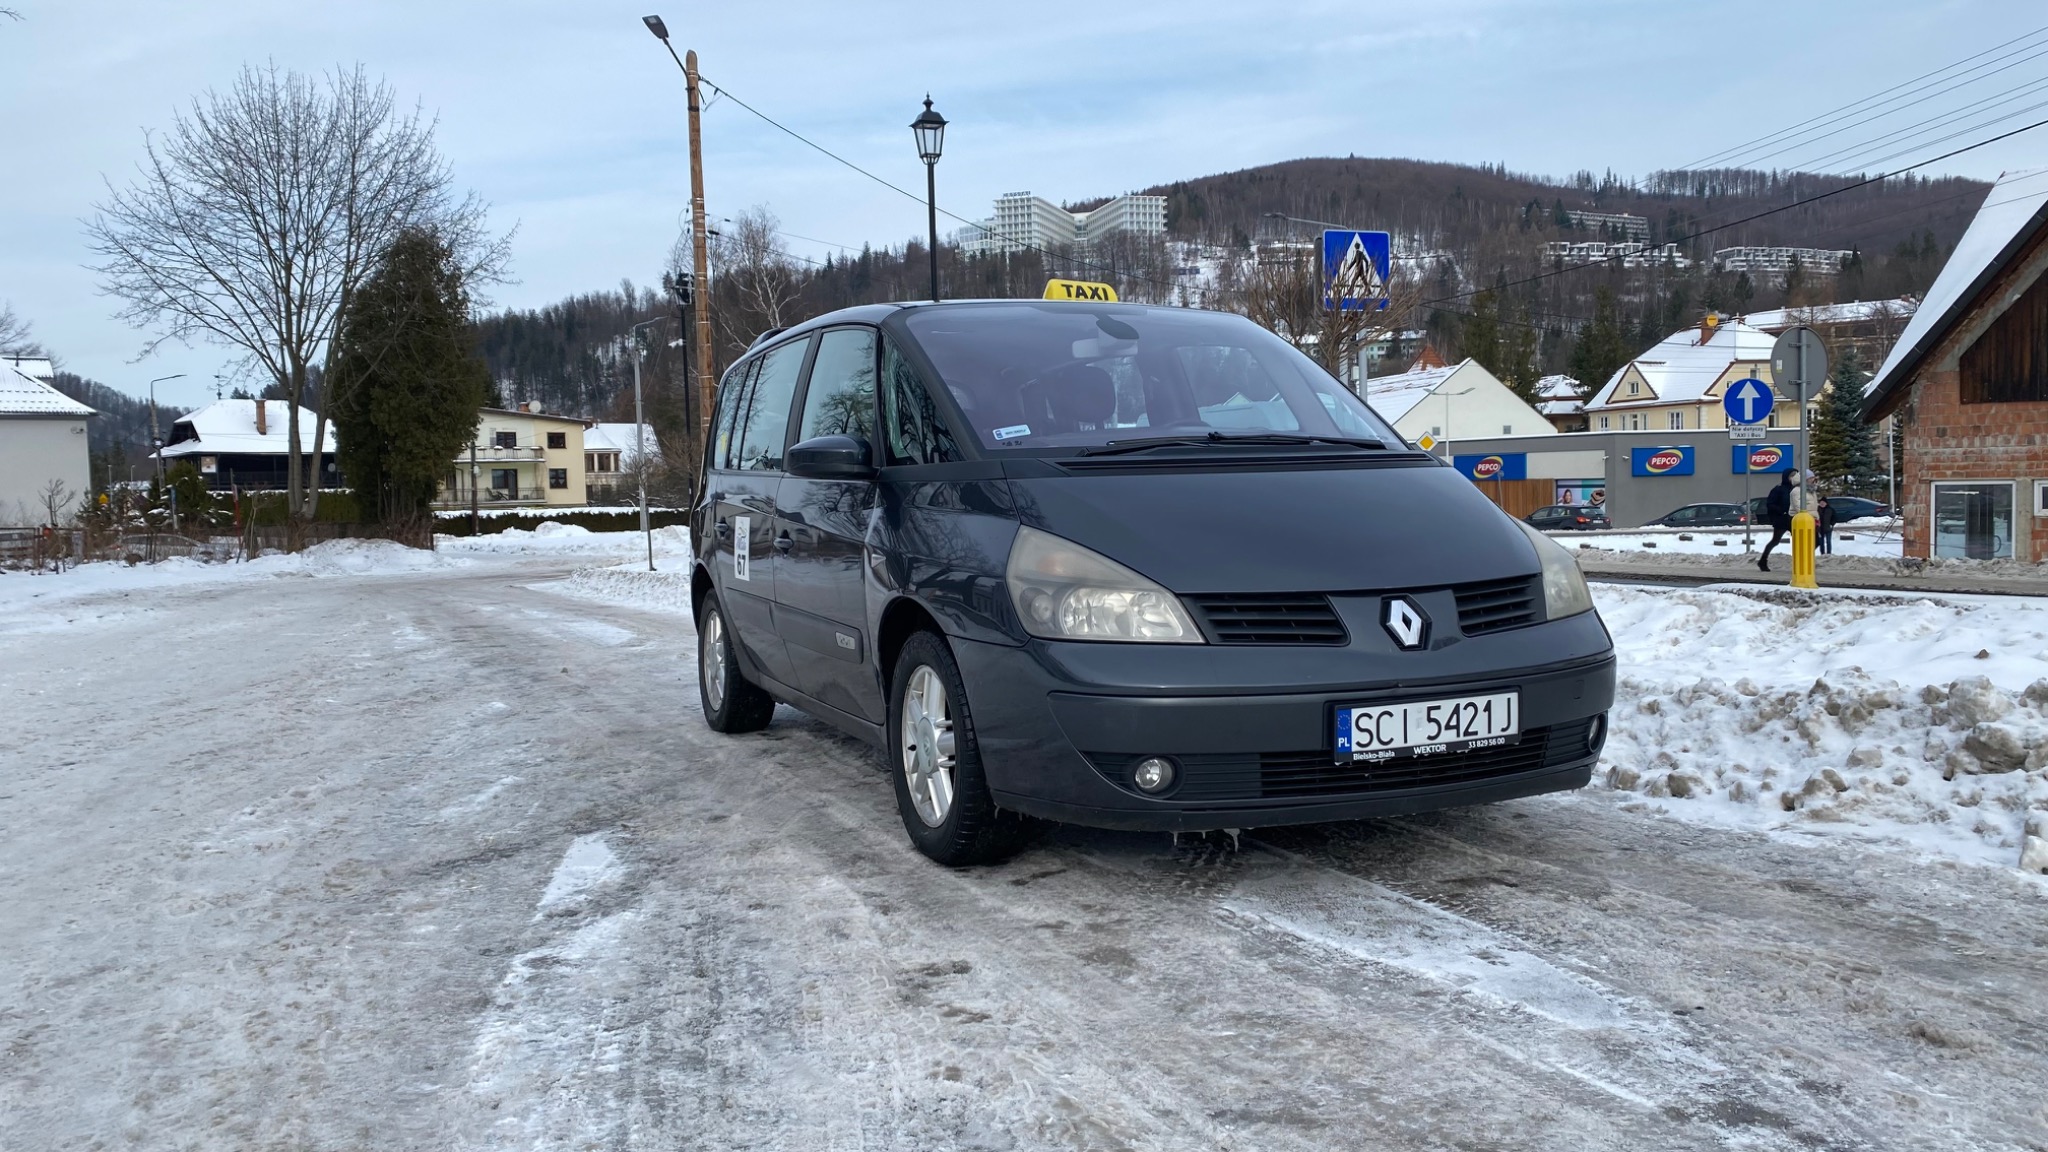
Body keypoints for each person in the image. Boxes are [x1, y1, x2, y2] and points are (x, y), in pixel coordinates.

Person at [1758, 471, 1797, 572]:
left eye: (1795, 475)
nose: (1793, 478)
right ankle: (1763, 561)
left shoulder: (1797, 489)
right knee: (1775, 540)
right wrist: (1781, 511)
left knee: (1798, 541)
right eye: (1791, 475)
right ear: (1786, 477)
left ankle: (1799, 563)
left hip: (1795, 518)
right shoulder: (1778, 489)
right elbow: (1770, 504)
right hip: (1782, 519)